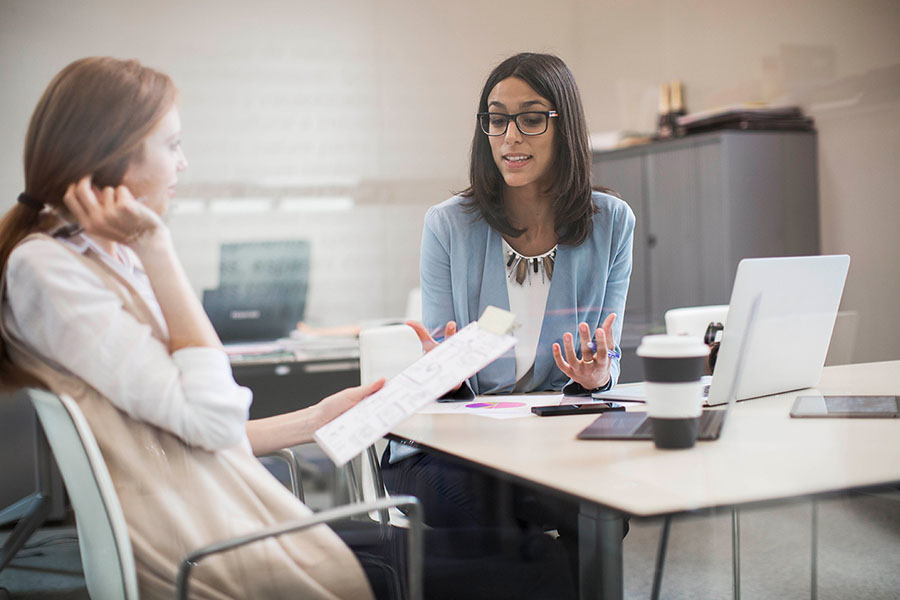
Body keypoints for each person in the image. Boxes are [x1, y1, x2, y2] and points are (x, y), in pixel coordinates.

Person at [0, 57, 574, 599]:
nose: (182, 163)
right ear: (114, 154)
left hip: (227, 527)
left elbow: (190, 435)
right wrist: (156, 245)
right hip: (219, 549)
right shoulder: (49, 269)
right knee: (534, 568)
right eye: (171, 145)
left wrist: (318, 417)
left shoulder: (91, 260)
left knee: (506, 549)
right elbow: (211, 418)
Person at [381, 52, 635, 575]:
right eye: (497, 120)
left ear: (565, 126)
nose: (510, 136)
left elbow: (605, 363)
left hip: (551, 438)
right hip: (450, 445)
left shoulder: (612, 222)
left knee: (598, 499)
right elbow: (444, 380)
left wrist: (596, 375)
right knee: (481, 503)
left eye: (532, 118)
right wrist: (442, 370)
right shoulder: (448, 226)